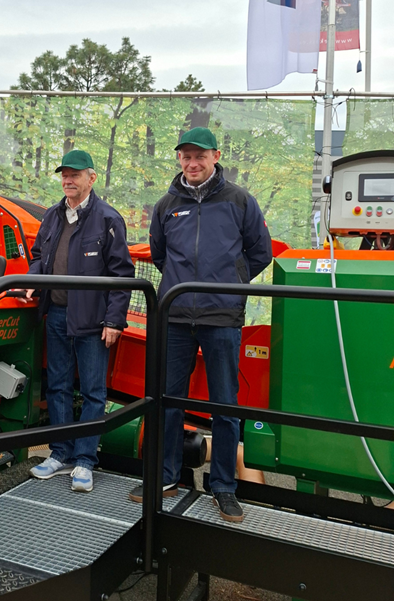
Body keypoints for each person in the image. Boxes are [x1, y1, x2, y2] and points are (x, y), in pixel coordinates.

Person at [128, 127, 272, 522]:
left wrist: (229, 284)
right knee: (166, 400)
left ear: (215, 156)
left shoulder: (239, 201)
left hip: (222, 318)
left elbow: (260, 252)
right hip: (174, 317)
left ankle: (223, 486)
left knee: (225, 405)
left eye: (200, 156)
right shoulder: (166, 204)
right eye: (186, 157)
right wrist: (182, 289)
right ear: (180, 159)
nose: (193, 163)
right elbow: (160, 255)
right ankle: (166, 476)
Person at [19, 150, 134, 492]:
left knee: (93, 391)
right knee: (57, 386)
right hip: (56, 313)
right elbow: (39, 256)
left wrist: (114, 320)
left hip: (93, 320)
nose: (68, 181)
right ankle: (60, 453)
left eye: (75, 175)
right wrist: (32, 280)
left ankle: (85, 460)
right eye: (64, 175)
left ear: (91, 178)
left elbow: (122, 274)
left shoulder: (108, 219)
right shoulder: (53, 216)